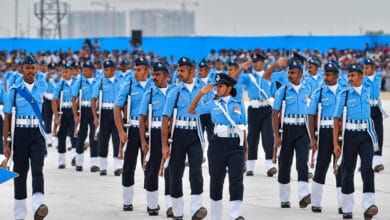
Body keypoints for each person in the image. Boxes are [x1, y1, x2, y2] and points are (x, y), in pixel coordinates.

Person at [188, 73, 247, 220]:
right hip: (217, 145)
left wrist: (245, 149)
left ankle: (235, 215)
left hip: (236, 145)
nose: (217, 89)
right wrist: (201, 93)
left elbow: (243, 127)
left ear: (229, 88)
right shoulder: (213, 104)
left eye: (220, 86)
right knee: (216, 180)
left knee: (236, 180)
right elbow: (192, 110)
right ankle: (216, 216)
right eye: (217, 86)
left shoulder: (239, 104)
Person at [3, 54, 49, 220]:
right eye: (27, 68)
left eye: (33, 67)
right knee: (20, 173)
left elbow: (47, 75)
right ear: (22, 70)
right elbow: (7, 117)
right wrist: (6, 144)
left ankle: (38, 206)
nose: (30, 71)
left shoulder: (41, 87)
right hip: (20, 134)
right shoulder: (14, 92)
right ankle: (20, 215)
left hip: (37, 133)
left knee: (38, 169)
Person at [162, 57, 207, 220]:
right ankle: (178, 211)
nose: (179, 73)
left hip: (195, 134)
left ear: (191, 71)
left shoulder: (202, 89)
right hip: (179, 135)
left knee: (196, 171)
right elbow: (166, 118)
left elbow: (209, 112)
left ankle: (196, 209)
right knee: (175, 173)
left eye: (182, 70)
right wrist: (164, 145)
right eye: (178, 70)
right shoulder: (175, 91)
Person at [333, 64, 378, 219]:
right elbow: (336, 119)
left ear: (361, 76)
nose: (350, 79)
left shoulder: (367, 92)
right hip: (350, 136)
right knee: (347, 170)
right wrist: (336, 144)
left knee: (367, 169)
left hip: (366, 136)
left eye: (353, 76)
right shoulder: (344, 94)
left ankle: (369, 205)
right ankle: (346, 207)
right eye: (349, 76)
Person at [114, 57, 153, 210]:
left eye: (139, 70)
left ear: (146, 71)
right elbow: (117, 108)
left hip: (149, 131)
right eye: (134, 70)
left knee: (149, 166)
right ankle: (127, 201)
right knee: (129, 165)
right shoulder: (128, 85)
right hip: (132, 129)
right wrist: (121, 131)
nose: (135, 73)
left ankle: (151, 203)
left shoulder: (153, 85)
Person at [272, 60, 311, 209]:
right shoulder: (282, 90)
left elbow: (312, 112)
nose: (290, 75)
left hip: (303, 129)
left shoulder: (307, 89)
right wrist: (276, 136)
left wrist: (313, 135)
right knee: (284, 164)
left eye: (293, 73)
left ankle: (303, 196)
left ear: (300, 74)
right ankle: (284, 198)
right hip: (287, 130)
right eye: (288, 72)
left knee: (302, 163)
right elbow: (275, 114)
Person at [139, 61, 175, 216]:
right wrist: (143, 141)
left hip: (171, 133)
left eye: (157, 74)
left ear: (165, 76)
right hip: (154, 133)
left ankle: (170, 205)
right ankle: (152, 204)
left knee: (171, 169)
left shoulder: (174, 92)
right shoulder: (150, 93)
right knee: (153, 168)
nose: (154, 77)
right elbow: (142, 119)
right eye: (153, 74)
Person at [307, 62, 343, 213]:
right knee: (321, 166)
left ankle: (343, 204)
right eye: (324, 74)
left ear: (336, 76)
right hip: (324, 133)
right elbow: (311, 114)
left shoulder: (344, 91)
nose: (325, 78)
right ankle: (316, 202)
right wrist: (313, 138)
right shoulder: (319, 92)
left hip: (341, 133)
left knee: (341, 169)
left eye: (328, 75)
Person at [239, 53, 276, 177]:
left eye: (258, 62)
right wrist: (241, 68)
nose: (255, 64)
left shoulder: (270, 76)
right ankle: (250, 167)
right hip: (253, 109)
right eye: (254, 62)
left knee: (268, 137)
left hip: (267, 109)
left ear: (263, 63)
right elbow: (234, 79)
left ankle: (270, 165)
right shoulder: (248, 77)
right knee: (252, 137)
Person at [92, 59, 122, 176]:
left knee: (117, 139)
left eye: (107, 69)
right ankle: (103, 167)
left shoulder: (121, 82)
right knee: (103, 140)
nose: (105, 71)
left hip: (116, 113)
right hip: (104, 113)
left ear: (113, 69)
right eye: (104, 69)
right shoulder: (100, 82)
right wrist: (95, 117)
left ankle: (117, 167)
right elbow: (94, 100)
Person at [72, 61, 99, 172]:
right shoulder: (80, 82)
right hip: (83, 110)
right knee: (81, 136)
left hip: (94, 111)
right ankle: (79, 163)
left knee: (94, 137)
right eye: (83, 70)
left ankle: (94, 164)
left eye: (86, 70)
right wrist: (75, 115)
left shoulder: (98, 81)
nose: (84, 72)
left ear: (92, 70)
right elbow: (74, 98)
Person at [52, 63, 77, 169]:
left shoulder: (77, 82)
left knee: (74, 134)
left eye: (66, 71)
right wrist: (56, 116)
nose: (64, 74)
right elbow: (54, 100)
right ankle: (61, 161)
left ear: (71, 72)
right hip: (63, 111)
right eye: (63, 71)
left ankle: (74, 156)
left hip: (74, 110)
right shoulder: (60, 84)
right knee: (61, 135)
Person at [363, 58, 385, 172]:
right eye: (364, 67)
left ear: (373, 68)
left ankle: (377, 161)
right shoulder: (361, 80)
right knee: (366, 136)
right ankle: (365, 162)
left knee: (378, 135)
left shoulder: (379, 78)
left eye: (367, 67)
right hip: (366, 110)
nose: (365, 69)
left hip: (377, 110)